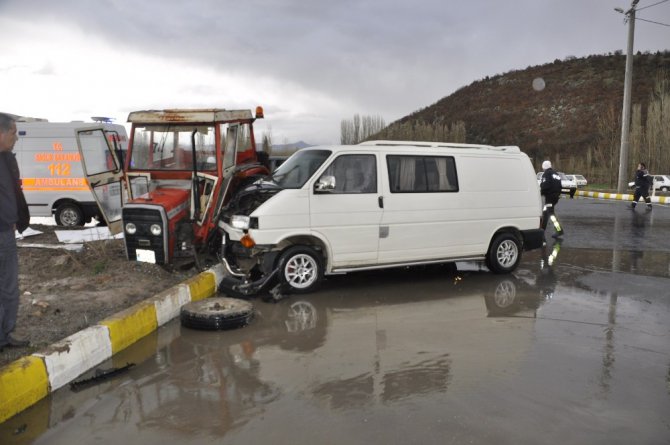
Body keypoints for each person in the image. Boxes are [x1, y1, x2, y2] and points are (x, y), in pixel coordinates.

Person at [0, 112, 30, 352]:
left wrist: (13, 219)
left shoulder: (6, 158)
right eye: (13, 132)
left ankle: (5, 334)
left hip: (6, 232)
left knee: (9, 287)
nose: (16, 138)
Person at [539, 160, 564, 238]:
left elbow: (545, 186)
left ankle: (559, 230)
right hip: (555, 197)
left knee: (551, 213)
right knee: (545, 212)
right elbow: (560, 186)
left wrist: (541, 193)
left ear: (544, 167)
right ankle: (541, 230)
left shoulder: (546, 174)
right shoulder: (556, 174)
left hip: (549, 197)